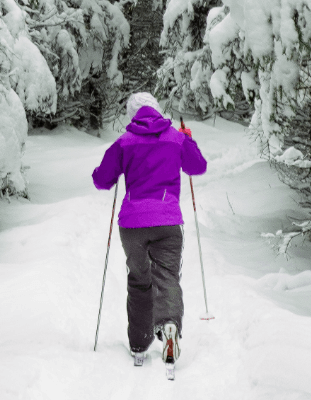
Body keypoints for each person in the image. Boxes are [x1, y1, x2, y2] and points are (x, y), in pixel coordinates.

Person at [91, 93, 207, 367]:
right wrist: (188, 139)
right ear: (156, 110)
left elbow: (101, 180)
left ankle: (139, 343)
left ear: (133, 115)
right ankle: (169, 328)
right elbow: (197, 166)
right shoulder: (175, 138)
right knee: (167, 277)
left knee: (139, 281)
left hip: (132, 225)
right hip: (167, 221)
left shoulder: (124, 142)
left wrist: (112, 168)